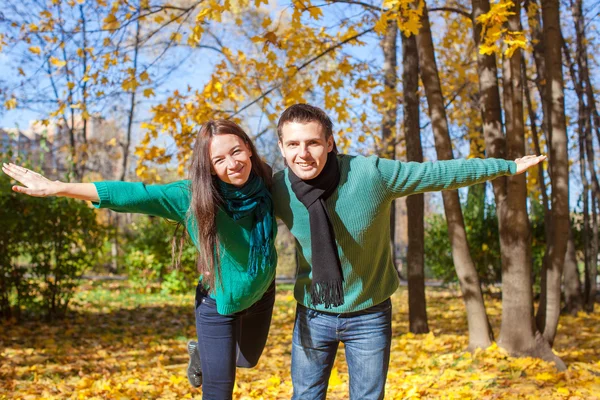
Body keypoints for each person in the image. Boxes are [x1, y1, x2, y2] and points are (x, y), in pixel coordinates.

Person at [270, 103, 546, 400]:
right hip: (312, 312)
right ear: (282, 148)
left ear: (329, 143)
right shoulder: (279, 188)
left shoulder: (370, 174)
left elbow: (437, 173)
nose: (303, 153)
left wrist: (505, 166)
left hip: (369, 313)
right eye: (293, 144)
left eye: (312, 142)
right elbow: (239, 218)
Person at [1, 119, 277, 400]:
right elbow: (135, 195)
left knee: (247, 361)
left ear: (248, 148)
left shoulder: (265, 180)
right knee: (219, 391)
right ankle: (207, 354)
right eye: (219, 159)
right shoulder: (193, 196)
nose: (232, 163)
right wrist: (58, 187)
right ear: (208, 167)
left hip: (261, 291)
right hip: (219, 300)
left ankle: (202, 351)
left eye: (236, 152)